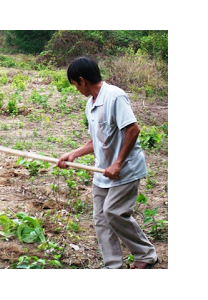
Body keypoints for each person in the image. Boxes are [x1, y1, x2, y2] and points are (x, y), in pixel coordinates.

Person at [56, 57, 158, 269]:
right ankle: (113, 266)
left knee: (113, 212)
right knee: (101, 219)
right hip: (102, 170)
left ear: (82, 80)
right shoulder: (90, 104)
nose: (76, 89)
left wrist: (118, 163)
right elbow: (97, 140)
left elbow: (133, 129)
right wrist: (74, 154)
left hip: (124, 170)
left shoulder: (114, 96)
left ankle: (146, 255)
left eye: (75, 84)